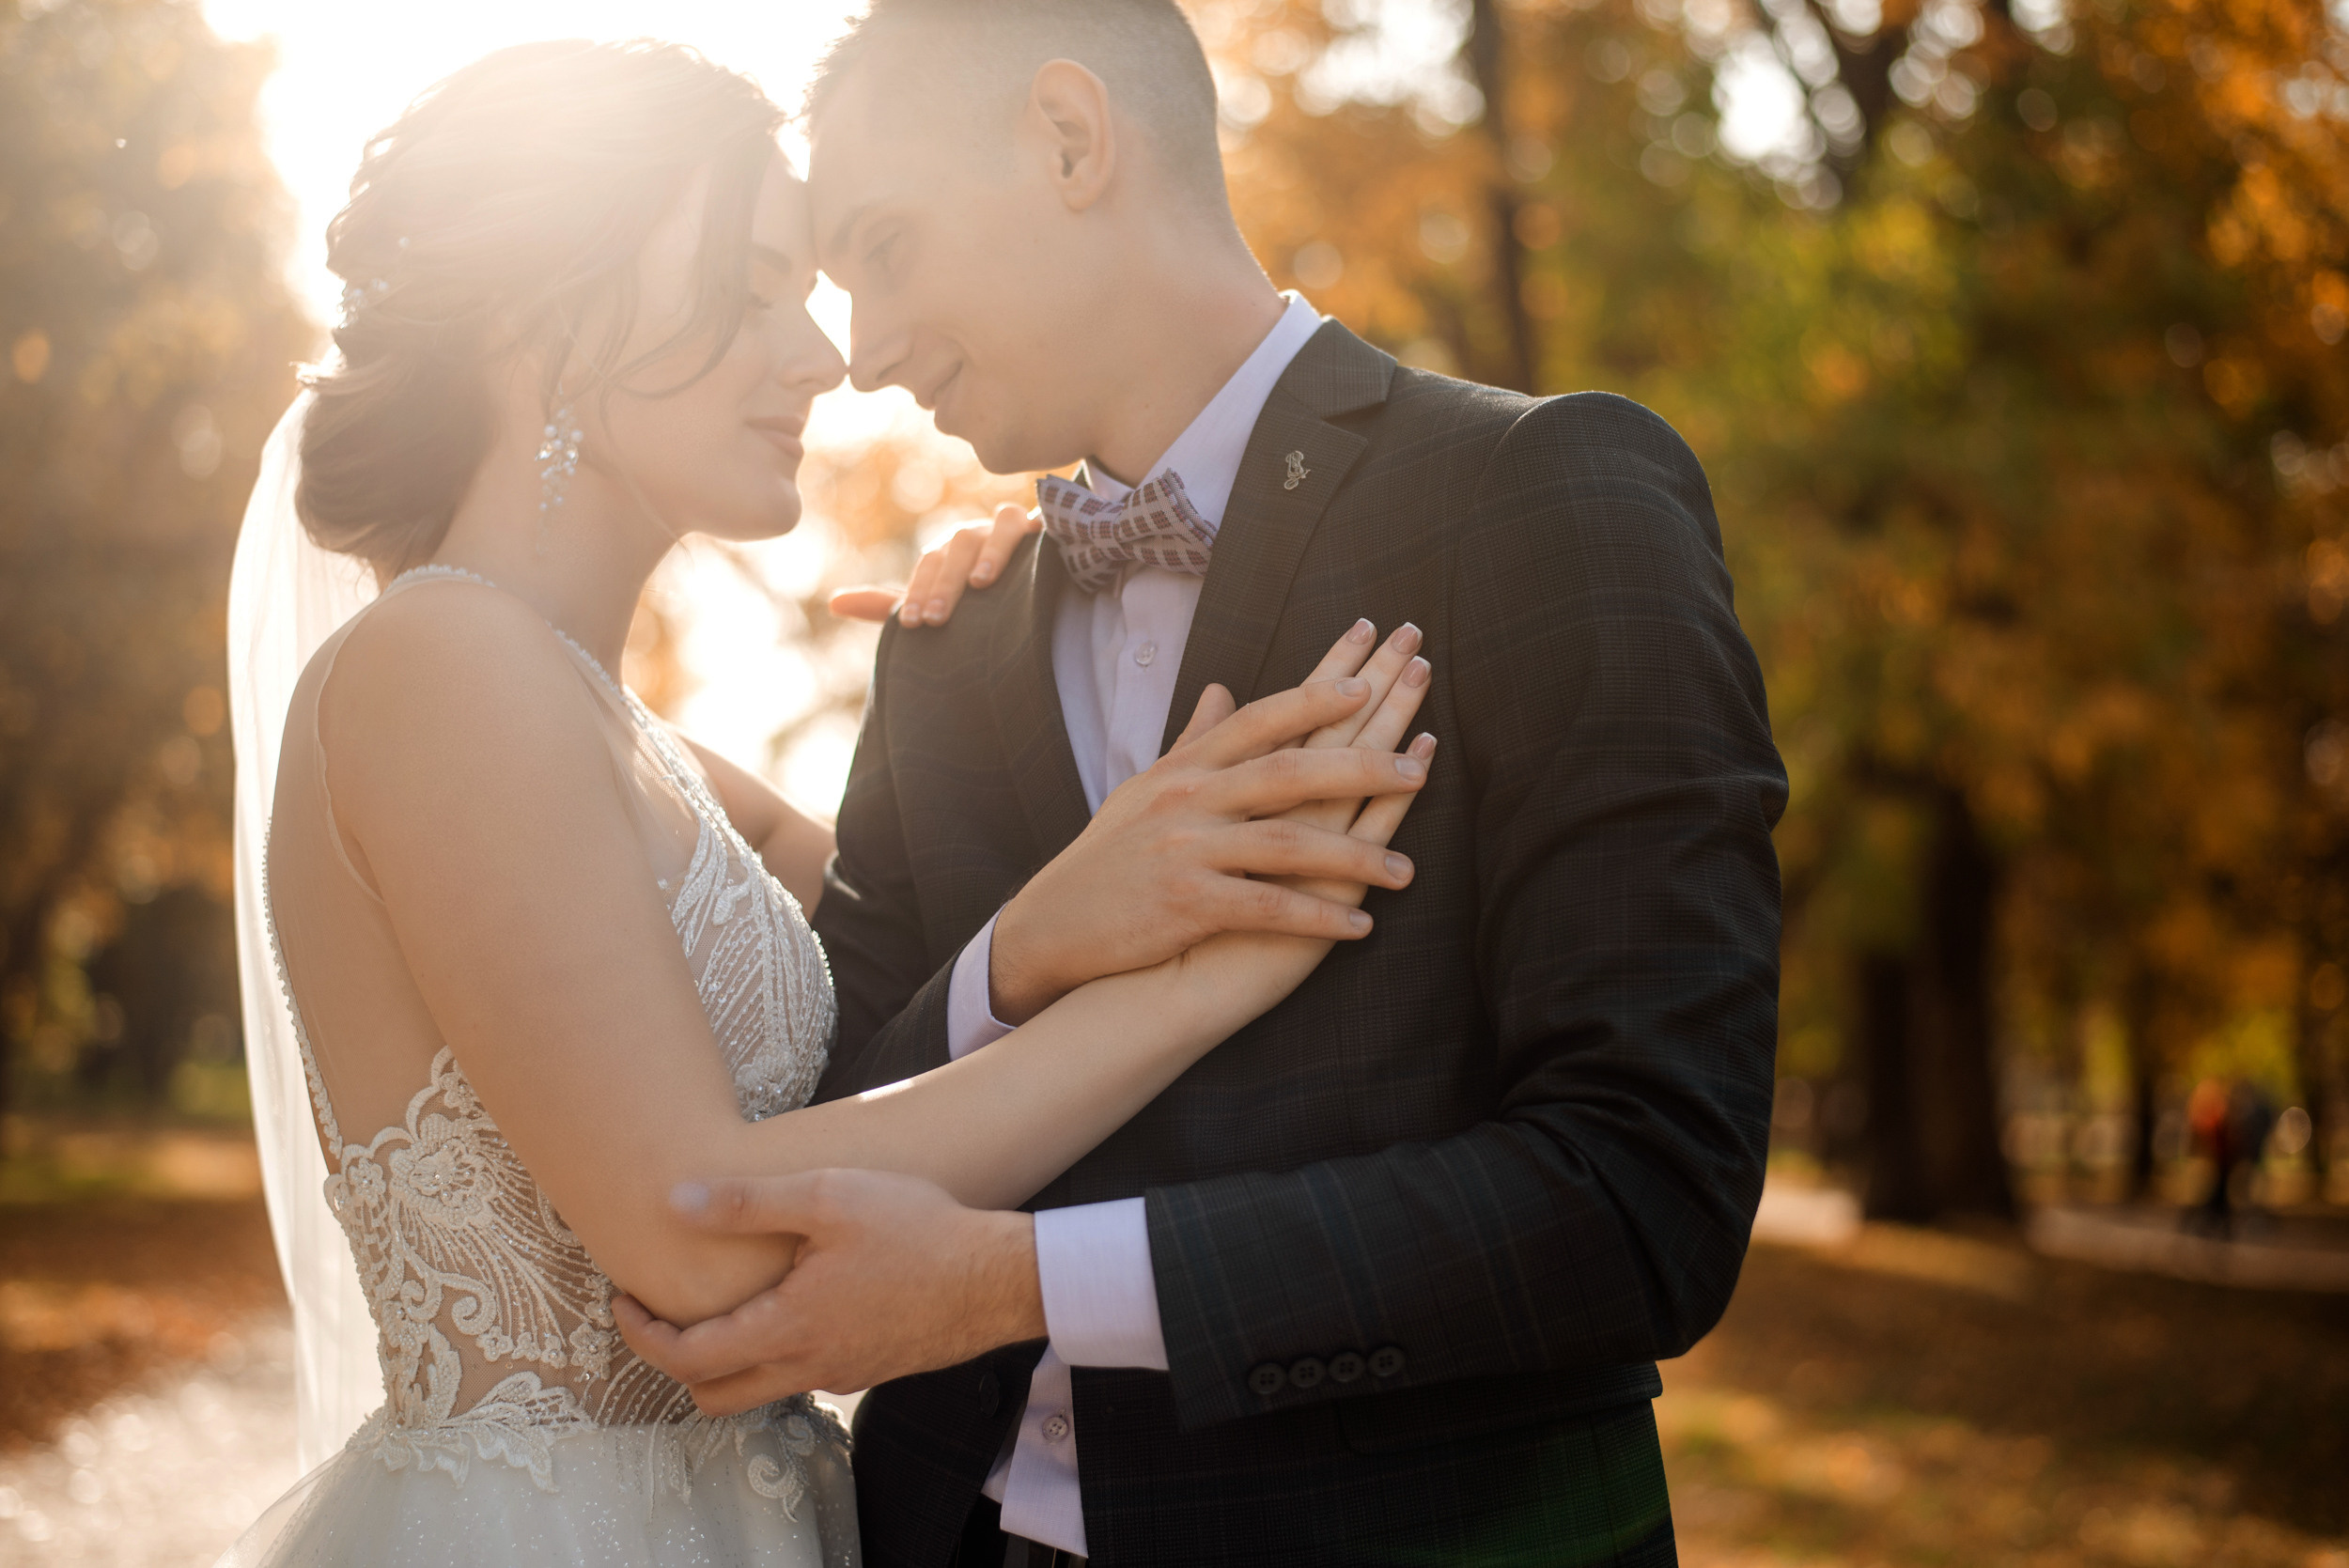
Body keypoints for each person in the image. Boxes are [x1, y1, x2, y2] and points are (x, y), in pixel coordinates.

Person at [223, 38, 1441, 1567]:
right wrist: (1200, 987)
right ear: (548, 309)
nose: (823, 356)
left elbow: (910, 983)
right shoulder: (437, 666)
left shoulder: (639, 748)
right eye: (748, 289)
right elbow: (697, 1234)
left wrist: (1002, 636)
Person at [612, 3, 1789, 1565]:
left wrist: (1013, 1281)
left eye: (884, 247)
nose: (866, 349)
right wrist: (1026, 947)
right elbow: (838, 1126)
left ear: (1069, 137)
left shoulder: (1546, 499)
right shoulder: (945, 646)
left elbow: (1647, 1193)